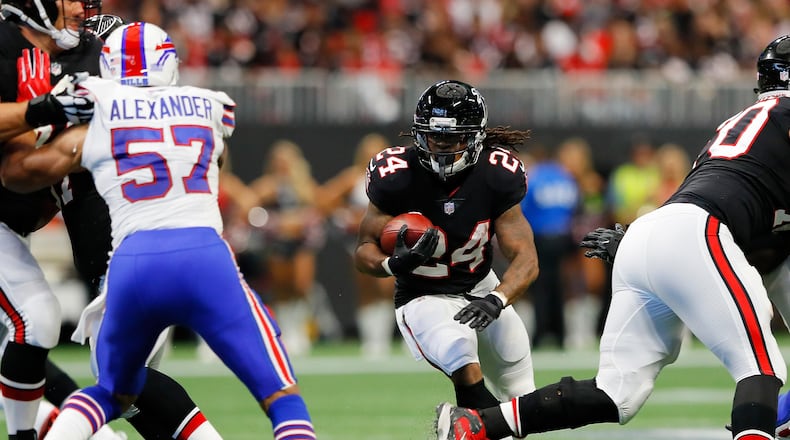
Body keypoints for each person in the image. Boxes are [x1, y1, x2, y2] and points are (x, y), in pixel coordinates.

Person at [434, 34, 790, 440]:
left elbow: (757, 229)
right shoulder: (782, 117)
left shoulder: (753, 129)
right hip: (696, 234)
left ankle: (478, 424)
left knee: (617, 392)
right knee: (761, 368)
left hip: (657, 233)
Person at [1, 21, 316, 440]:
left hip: (132, 265)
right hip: (205, 257)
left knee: (111, 391)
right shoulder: (209, 106)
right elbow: (214, 163)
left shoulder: (99, 110)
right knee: (282, 397)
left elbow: (21, 174)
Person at [2, 7, 227, 439]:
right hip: (184, 250)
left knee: (117, 376)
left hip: (136, 253)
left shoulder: (102, 114)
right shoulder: (192, 112)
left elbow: (17, 171)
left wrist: (52, 122)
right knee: (126, 384)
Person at [354, 79, 540, 411]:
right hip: (423, 295)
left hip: (482, 286)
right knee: (461, 356)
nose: (441, 145)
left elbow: (526, 257)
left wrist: (497, 299)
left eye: (452, 137)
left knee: (522, 395)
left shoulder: (497, 174)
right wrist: (391, 265)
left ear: (476, 137)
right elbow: (364, 249)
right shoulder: (395, 175)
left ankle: (463, 430)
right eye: (434, 135)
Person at [318, 132, 396, 359]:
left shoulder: (395, 176)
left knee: (386, 288)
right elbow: (323, 199)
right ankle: (370, 338)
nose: (371, 155)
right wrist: (346, 215)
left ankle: (382, 337)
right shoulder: (354, 176)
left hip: (388, 239)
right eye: (366, 151)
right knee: (365, 287)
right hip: (361, 240)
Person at [247, 140, 325, 356]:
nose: (282, 165)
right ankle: (286, 331)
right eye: (278, 161)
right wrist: (274, 222)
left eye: (286, 161)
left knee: (301, 286)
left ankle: (300, 329)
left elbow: (319, 206)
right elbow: (248, 205)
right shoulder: (267, 185)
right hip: (277, 242)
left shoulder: (304, 184)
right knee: (281, 288)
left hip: (301, 243)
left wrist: (300, 221)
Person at [518, 144, 579, 350]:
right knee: (559, 285)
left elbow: (523, 208)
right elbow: (574, 206)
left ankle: (541, 332)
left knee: (540, 287)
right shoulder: (565, 176)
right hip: (562, 236)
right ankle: (561, 334)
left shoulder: (534, 176)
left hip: (541, 237)